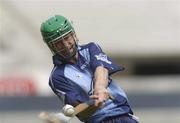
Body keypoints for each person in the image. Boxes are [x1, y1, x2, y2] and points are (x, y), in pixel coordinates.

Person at [40, 15, 139, 123]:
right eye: (58, 43)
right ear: (51, 47)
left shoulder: (91, 48)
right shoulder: (57, 77)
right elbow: (81, 111)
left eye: (67, 38)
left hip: (125, 116)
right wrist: (96, 105)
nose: (65, 45)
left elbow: (101, 69)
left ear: (74, 35)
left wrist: (100, 88)